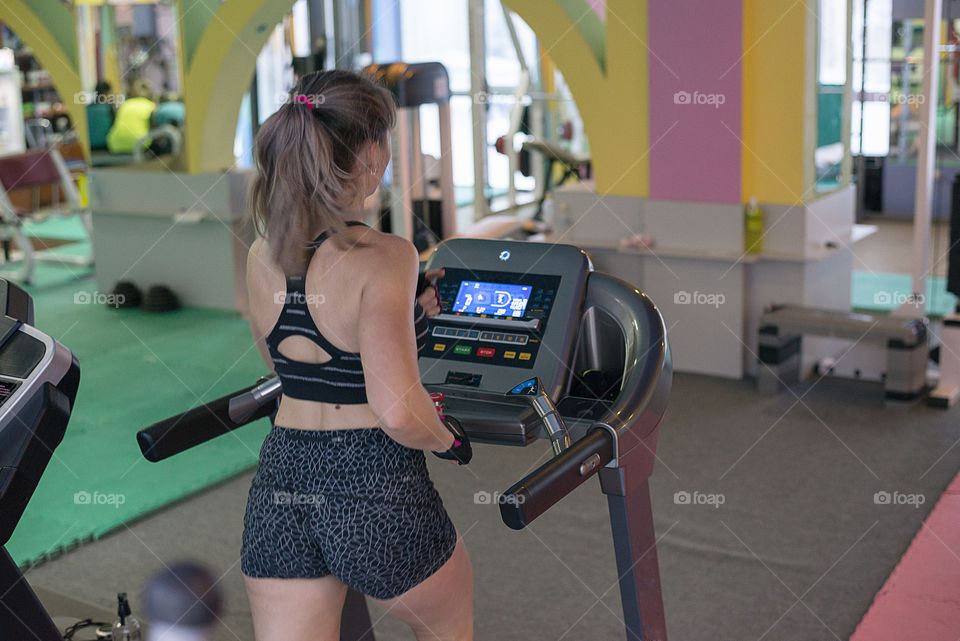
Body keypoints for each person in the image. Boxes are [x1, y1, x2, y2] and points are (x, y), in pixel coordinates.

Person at [241, 70, 474, 641]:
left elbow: (288, 365)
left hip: (282, 477)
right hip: (372, 479)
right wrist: (451, 440)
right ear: (370, 156)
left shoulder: (260, 252)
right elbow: (397, 410)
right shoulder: (387, 255)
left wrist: (403, 316)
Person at [106, 78, 156, 154]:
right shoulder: (151, 106)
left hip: (114, 145)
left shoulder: (125, 105)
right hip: (140, 145)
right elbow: (153, 128)